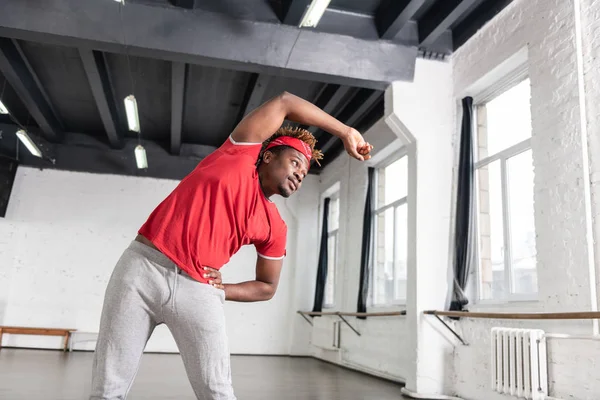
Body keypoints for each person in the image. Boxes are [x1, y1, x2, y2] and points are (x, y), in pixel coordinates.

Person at [89, 91, 373, 400]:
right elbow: (285, 102)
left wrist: (223, 290)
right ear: (267, 155)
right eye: (294, 163)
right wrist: (346, 131)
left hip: (198, 290)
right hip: (141, 270)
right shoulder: (237, 156)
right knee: (107, 388)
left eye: (304, 174)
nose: (298, 175)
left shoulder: (275, 226)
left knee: (218, 392)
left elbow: (267, 286)